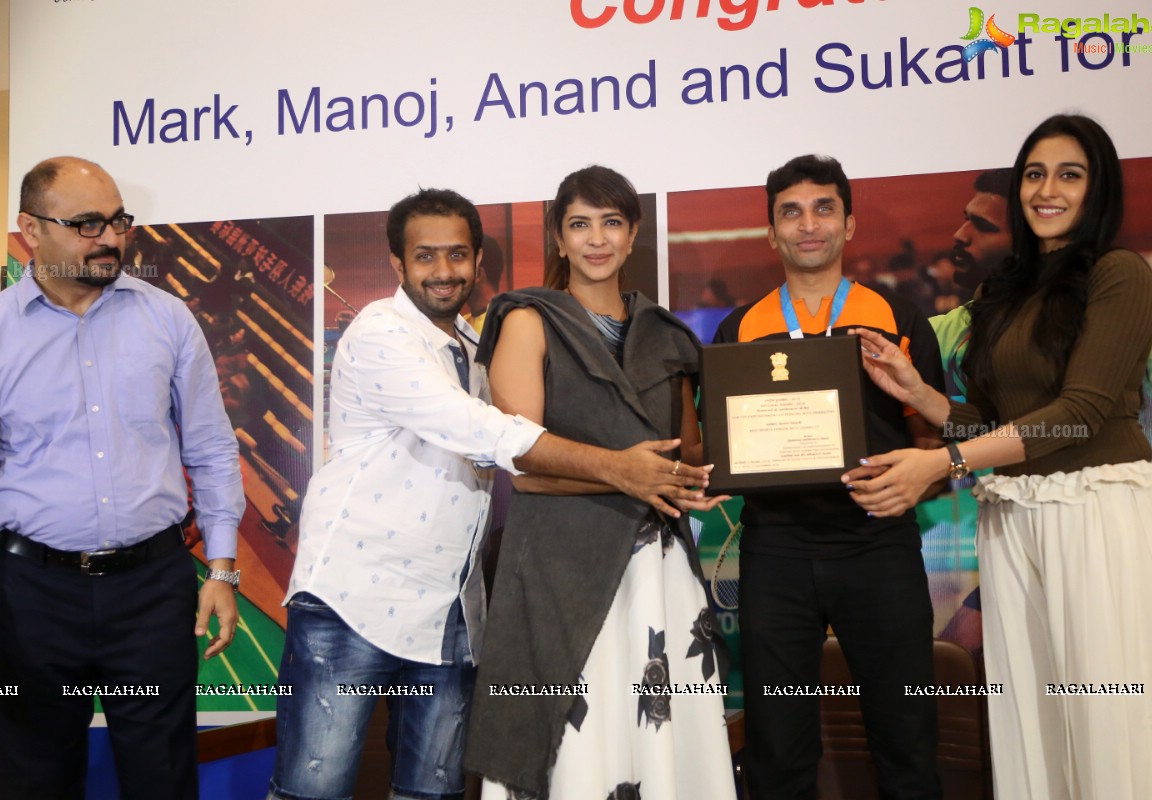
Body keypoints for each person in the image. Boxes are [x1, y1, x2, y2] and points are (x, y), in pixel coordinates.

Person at [268, 188, 714, 800]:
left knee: (433, 794)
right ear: (398, 264)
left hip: (451, 613)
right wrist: (621, 469)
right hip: (354, 604)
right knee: (311, 794)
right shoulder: (380, 334)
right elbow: (486, 433)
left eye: (458, 255)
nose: (444, 271)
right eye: (426, 257)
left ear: (479, 262)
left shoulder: (476, 349)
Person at [844, 114, 1152, 799]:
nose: (1047, 190)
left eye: (1070, 174)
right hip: (1013, 521)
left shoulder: (1120, 274)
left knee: (1110, 719)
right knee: (1035, 722)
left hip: (1098, 518)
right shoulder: (1005, 295)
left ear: (1099, 190)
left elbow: (1079, 412)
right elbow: (997, 422)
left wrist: (943, 464)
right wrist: (918, 389)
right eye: (1035, 174)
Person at [463, 166, 737, 800]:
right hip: (561, 567)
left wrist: (715, 469)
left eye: (611, 222)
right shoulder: (527, 320)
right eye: (579, 224)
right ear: (558, 238)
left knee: (663, 740)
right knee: (572, 746)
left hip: (657, 571)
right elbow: (520, 457)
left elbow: (690, 451)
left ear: (632, 232)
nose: (596, 239)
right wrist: (627, 475)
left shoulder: (668, 333)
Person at [0, 157, 246, 800]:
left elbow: (213, 450)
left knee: (162, 778)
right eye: (87, 224)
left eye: (117, 221)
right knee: (33, 775)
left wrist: (222, 571)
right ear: (31, 229)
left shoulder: (167, 320)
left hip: (153, 592)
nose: (110, 238)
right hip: (29, 594)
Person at [712, 155, 944, 800]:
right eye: (790, 211)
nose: (807, 224)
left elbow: (933, 439)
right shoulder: (741, 329)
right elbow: (731, 444)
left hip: (878, 544)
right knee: (778, 746)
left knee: (906, 739)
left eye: (823, 209)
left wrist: (915, 480)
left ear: (849, 224)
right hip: (777, 549)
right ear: (771, 232)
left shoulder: (896, 319)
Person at [932, 168, 1152, 656]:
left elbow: (1081, 415)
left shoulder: (1113, 319)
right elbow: (992, 430)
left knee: (1109, 701)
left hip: (1131, 550)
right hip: (1028, 535)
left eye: (984, 227)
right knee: (957, 667)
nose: (960, 235)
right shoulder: (958, 332)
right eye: (964, 221)